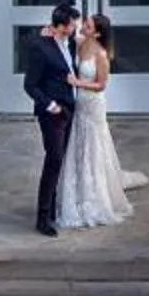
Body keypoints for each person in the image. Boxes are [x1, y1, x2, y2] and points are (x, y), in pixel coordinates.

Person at [58, 12, 134, 230]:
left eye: (89, 25)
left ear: (98, 32)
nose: (84, 26)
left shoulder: (101, 54)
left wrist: (77, 82)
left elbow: (101, 84)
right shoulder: (80, 44)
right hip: (79, 104)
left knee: (94, 145)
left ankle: (94, 196)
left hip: (93, 104)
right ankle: (77, 190)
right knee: (78, 143)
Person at [20, 4, 80, 237]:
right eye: (73, 23)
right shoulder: (40, 47)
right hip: (53, 113)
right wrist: (51, 105)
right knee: (54, 159)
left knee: (61, 159)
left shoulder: (71, 43)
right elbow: (30, 85)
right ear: (62, 25)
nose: (75, 27)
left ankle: (55, 208)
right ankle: (42, 216)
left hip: (72, 109)